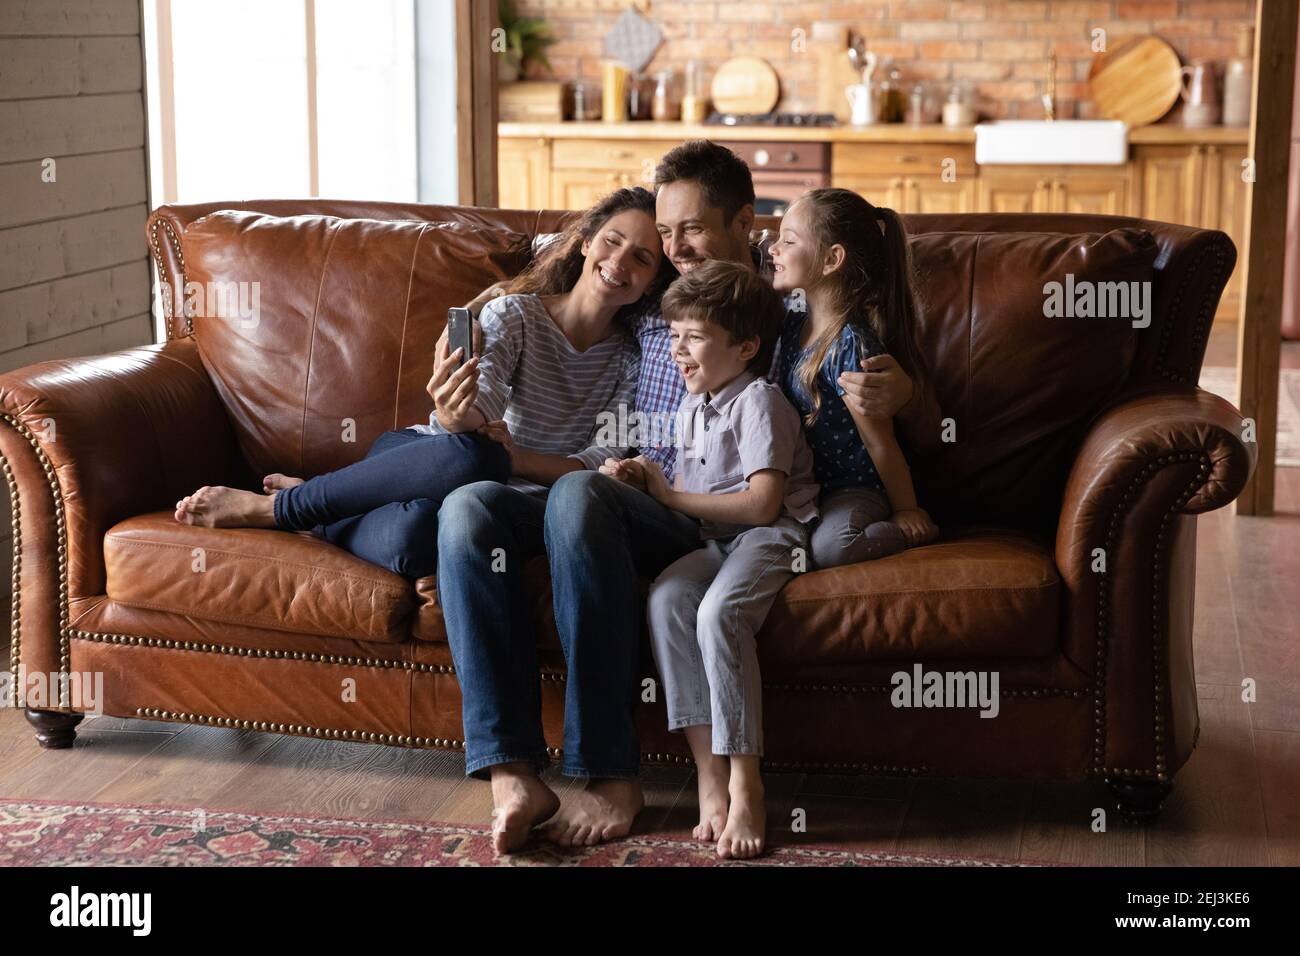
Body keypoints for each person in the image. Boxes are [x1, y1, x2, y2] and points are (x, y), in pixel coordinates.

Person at [437, 141, 943, 853]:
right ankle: (511, 771)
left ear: (746, 224)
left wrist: (909, 397)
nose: (674, 249)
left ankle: (611, 773)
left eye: (692, 231)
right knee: (469, 507)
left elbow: (882, 389)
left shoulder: (786, 316)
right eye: (664, 236)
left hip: (699, 512)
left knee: (582, 497)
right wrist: (466, 406)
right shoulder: (651, 306)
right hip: (638, 498)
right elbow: (575, 291)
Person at [172, 186, 669, 584]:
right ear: (586, 242)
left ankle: (318, 509)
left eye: (643, 257)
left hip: (491, 500)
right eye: (612, 240)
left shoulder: (632, 359)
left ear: (651, 282)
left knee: (414, 543)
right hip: (426, 457)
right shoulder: (513, 315)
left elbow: (593, 464)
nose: (621, 261)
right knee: (473, 454)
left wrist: (515, 459)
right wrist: (457, 414)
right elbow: (473, 420)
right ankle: (279, 508)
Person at [611, 261, 818, 860]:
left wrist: (668, 496)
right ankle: (709, 773)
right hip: (713, 542)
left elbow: (760, 503)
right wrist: (639, 479)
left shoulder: (759, 400)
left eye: (694, 337)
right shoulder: (689, 408)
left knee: (718, 614)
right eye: (673, 336)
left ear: (746, 346)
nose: (679, 350)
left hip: (770, 535)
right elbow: (687, 490)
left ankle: (747, 782)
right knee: (668, 598)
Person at [769, 188, 938, 568]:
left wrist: (907, 511)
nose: (773, 249)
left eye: (788, 240)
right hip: (808, 486)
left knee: (833, 548)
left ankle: (910, 535)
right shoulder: (792, 322)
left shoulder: (850, 346)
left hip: (856, 489)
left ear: (832, 259)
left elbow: (881, 444)